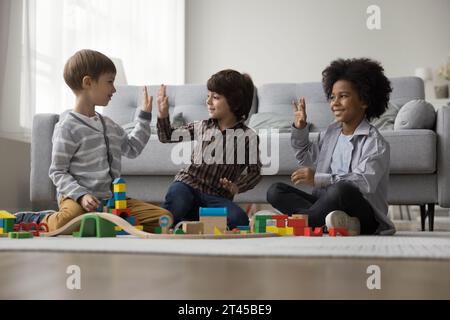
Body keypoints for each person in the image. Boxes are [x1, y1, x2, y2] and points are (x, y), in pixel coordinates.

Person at [15, 49, 171, 232]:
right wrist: (81, 196)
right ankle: (35, 218)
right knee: (65, 222)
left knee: (164, 218)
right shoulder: (67, 127)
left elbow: (133, 148)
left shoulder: (109, 125)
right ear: (88, 82)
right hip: (77, 200)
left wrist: (144, 117)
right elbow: (57, 171)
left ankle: (104, 221)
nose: (114, 89)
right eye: (110, 82)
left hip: (112, 201)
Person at [267, 58, 396, 235]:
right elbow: (305, 157)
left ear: (364, 101)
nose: (334, 103)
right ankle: (325, 222)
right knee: (275, 191)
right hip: (326, 203)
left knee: (341, 190)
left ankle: (303, 221)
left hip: (363, 214)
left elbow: (364, 183)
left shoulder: (375, 142)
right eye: (332, 97)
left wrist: (320, 179)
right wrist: (300, 127)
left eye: (343, 96)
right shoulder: (331, 133)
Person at [156, 69, 262, 229]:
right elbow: (167, 136)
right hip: (188, 185)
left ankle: (189, 220)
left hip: (216, 197)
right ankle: (174, 220)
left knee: (239, 219)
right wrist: (163, 115)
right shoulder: (202, 126)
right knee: (178, 198)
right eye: (208, 96)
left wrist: (237, 186)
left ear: (234, 102)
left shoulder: (248, 137)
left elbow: (255, 172)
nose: (208, 101)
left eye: (216, 97)